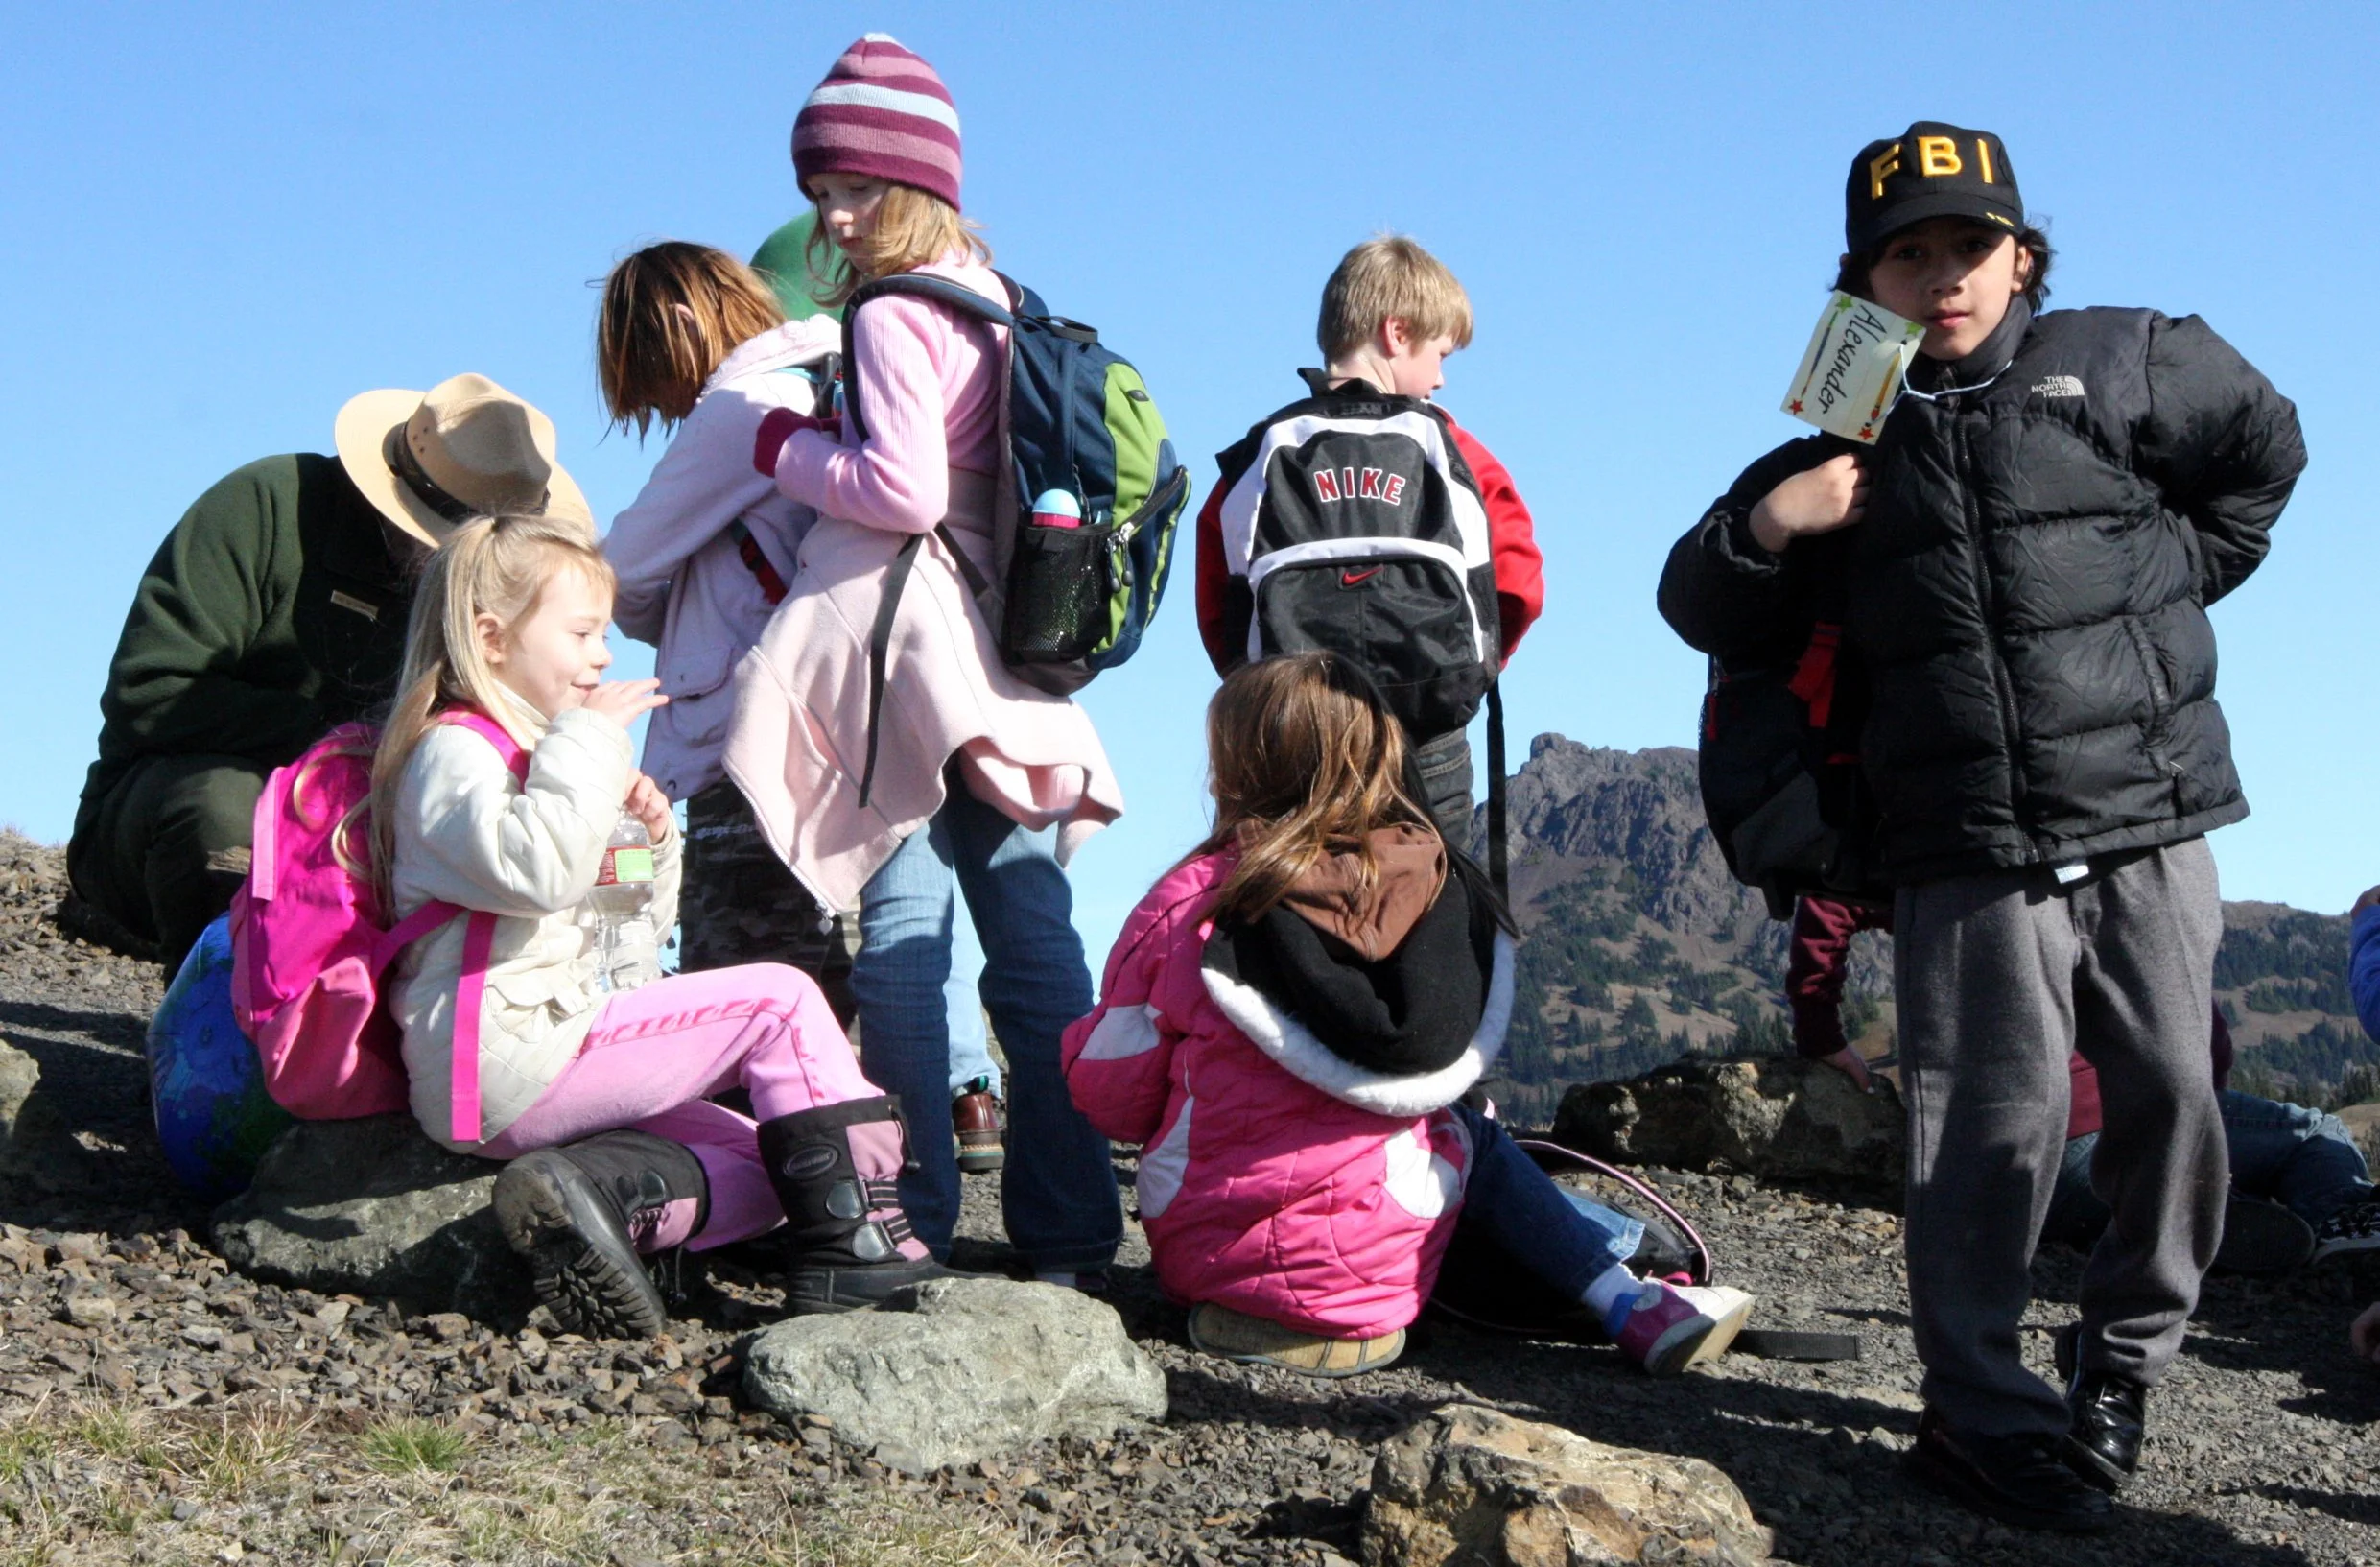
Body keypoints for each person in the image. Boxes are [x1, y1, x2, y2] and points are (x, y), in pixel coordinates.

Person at [1659, 123, 2305, 1531]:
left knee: (2178, 1106)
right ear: (1864, 282)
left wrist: (2165, 584)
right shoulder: (1840, 441)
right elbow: (1701, 609)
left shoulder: (2130, 356)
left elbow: (2266, 454)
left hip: (2145, 812)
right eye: (1909, 253)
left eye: (1969, 245)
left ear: (2022, 253)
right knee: (1980, 1138)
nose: (1943, 276)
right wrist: (1775, 522)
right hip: (1956, 843)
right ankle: (1976, 1415)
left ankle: (2122, 1361)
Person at [1064, 653, 1754, 1376]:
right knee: (1468, 1130)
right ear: (1381, 756)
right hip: (1382, 1299)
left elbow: (1110, 1095)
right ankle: (1623, 1297)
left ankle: (1271, 1310)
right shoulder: (1435, 884)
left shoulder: (1192, 900)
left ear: (1234, 768)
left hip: (1210, 1268)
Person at [728, 35, 1125, 1285]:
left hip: (912, 668)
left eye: (852, 189)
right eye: (818, 196)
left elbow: (896, 490)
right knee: (1036, 939)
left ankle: (920, 1219)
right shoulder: (1003, 301)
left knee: (903, 940)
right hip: (1013, 669)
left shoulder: (897, 311)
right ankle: (1069, 1233)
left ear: (918, 184)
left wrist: (782, 450)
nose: (834, 219)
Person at [371, 513, 948, 1337]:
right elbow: (537, 873)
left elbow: (628, 926)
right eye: (580, 632)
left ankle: (606, 1199)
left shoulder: (541, 759)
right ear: (490, 638)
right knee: (779, 1000)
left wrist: (646, 832)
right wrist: (590, 744)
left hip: (547, 1046)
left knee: (766, 1154)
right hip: (504, 1058)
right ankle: (860, 1247)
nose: (604, 654)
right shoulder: (454, 753)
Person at [68, 374, 589, 974]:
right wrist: (356, 745)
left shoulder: (500, 601)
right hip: (162, 816)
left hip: (386, 829)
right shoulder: (266, 506)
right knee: (230, 808)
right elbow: (151, 690)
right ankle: (217, 1036)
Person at [1192, 236, 1543, 850]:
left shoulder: (1262, 454)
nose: (1440, 378)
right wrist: (1471, 672)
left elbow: (1218, 602)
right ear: (1397, 332)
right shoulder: (1453, 451)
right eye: (1440, 353)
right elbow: (1518, 582)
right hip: (1426, 734)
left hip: (1298, 742)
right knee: (1435, 908)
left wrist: (1257, 689)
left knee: (1300, 911)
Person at [597, 242, 860, 1019]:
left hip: (745, 745)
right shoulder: (825, 379)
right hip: (840, 736)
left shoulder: (737, 408)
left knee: (738, 1013)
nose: (670, 406)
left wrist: (673, 603)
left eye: (655, 378)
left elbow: (619, 569)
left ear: (682, 323)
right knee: (834, 1007)